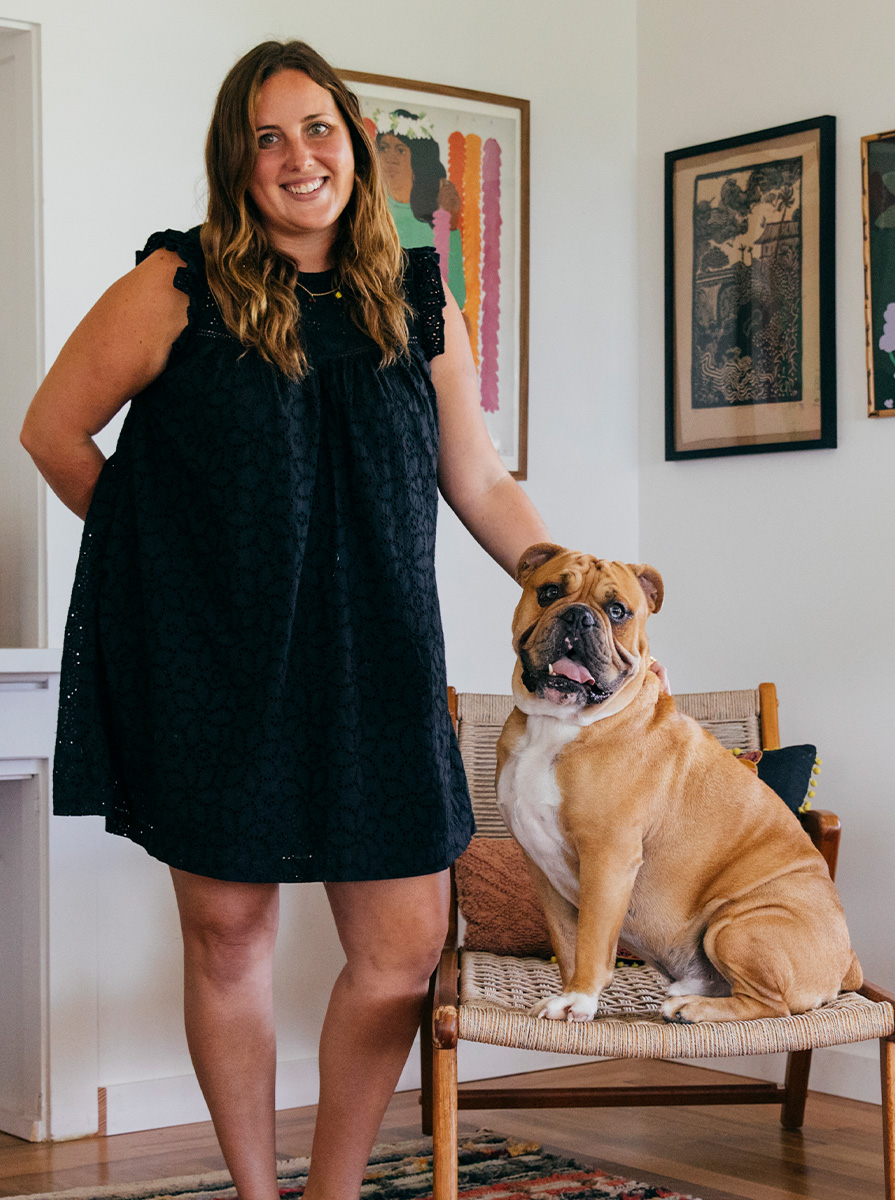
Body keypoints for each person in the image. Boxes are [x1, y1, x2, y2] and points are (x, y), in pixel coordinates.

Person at [21, 38, 668, 1200]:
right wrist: (158, 563)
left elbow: (474, 477)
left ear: (357, 143)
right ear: (237, 161)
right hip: (217, 667)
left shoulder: (417, 292)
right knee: (229, 940)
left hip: (377, 661)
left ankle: (331, 1192)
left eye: (316, 127)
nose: (297, 155)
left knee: (403, 951)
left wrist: (565, 580)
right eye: (266, 136)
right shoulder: (178, 282)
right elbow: (54, 432)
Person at [374, 111, 466, 309]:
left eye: (400, 150)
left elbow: (455, 301)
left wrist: (450, 226)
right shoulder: (368, 212)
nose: (390, 158)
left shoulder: (436, 219)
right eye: (384, 148)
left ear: (417, 158)